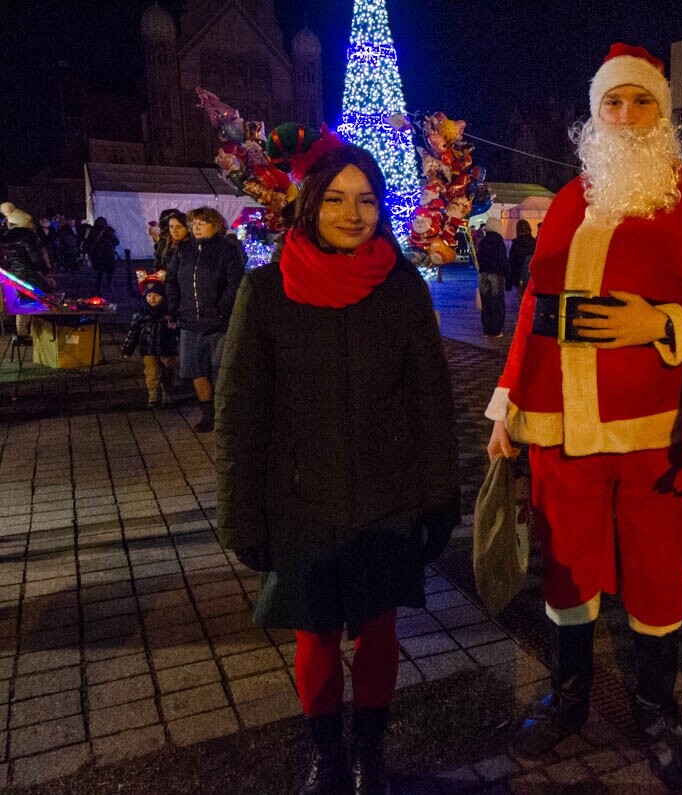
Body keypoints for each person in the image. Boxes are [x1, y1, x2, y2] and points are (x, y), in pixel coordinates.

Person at [484, 43, 682, 786]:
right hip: (561, 427)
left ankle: (654, 705)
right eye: (612, 104)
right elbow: (534, 304)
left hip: (651, 432)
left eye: (642, 102)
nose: (626, 116)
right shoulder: (570, 199)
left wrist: (660, 322)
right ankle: (568, 694)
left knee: (657, 572)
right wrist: (505, 403)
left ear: (663, 113)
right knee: (565, 568)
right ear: (594, 116)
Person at [215, 145, 460, 795]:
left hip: (387, 498)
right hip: (302, 500)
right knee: (316, 638)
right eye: (336, 198)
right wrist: (241, 514)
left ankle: (370, 752)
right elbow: (240, 411)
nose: (353, 214)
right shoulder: (265, 291)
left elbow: (430, 399)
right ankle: (328, 754)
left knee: (379, 634)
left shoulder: (400, 284)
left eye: (367, 199)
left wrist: (440, 496)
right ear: (309, 204)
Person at [165, 207, 243, 432]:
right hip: (189, 322)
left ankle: (225, 414)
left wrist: (221, 309)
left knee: (220, 369)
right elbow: (171, 280)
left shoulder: (226, 250)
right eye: (193, 224)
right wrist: (174, 306)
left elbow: (235, 282)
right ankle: (207, 414)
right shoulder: (183, 251)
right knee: (196, 370)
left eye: (201, 223)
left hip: (217, 322)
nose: (196, 228)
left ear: (214, 225)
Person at [120, 276, 178, 408]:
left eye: (156, 295)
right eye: (149, 295)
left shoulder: (169, 314)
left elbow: (178, 330)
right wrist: (127, 349)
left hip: (168, 349)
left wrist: (175, 326)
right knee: (152, 372)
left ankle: (167, 393)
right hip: (148, 349)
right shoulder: (141, 314)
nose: (152, 298)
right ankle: (153, 394)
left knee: (168, 371)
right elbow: (133, 333)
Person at [0, 203, 54, 345]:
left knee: (24, 303)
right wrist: (46, 273)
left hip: (15, 275)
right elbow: (35, 258)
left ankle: (21, 334)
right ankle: (38, 333)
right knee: (42, 300)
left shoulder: (9, 237)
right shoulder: (27, 237)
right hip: (29, 274)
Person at [475, 217, 508, 337]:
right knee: (497, 302)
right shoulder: (498, 241)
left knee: (486, 302)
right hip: (495, 273)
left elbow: (478, 257)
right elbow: (502, 259)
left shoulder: (483, 241)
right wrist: (506, 274)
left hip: (483, 274)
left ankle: (487, 328)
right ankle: (496, 329)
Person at [83, 217, 119, 294]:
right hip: (108, 255)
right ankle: (109, 287)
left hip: (97, 256)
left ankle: (98, 288)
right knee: (109, 273)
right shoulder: (108, 230)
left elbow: (87, 242)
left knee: (100, 273)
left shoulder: (92, 231)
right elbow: (116, 242)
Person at [507, 218, 536, 290]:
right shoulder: (535, 243)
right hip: (533, 277)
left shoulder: (515, 244)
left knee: (521, 298)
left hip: (519, 277)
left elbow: (512, 262)